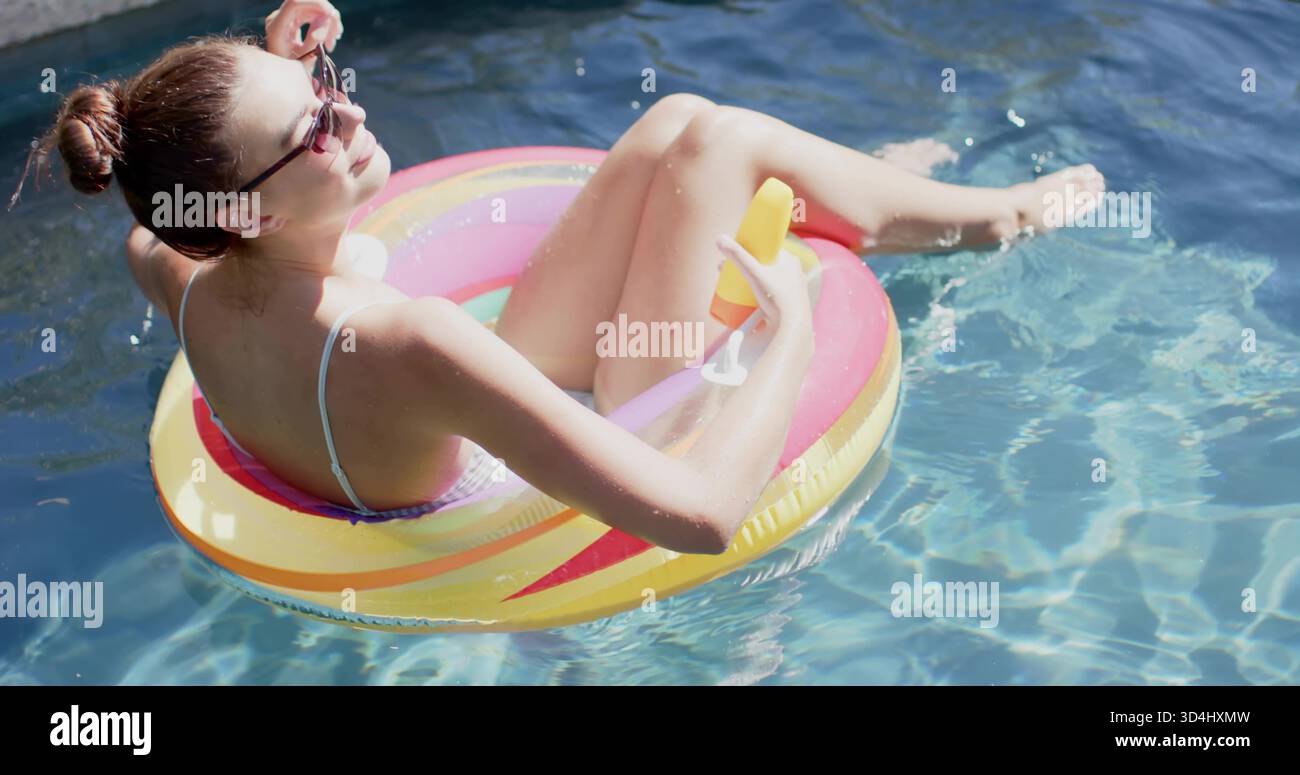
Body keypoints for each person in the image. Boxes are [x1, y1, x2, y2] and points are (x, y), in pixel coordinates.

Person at [19, 0, 1103, 553]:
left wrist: (273, 77)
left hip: (420, 431)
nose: (350, 110)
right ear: (245, 208)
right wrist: (786, 341)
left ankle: (886, 192)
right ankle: (989, 217)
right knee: (713, 144)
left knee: (677, 124)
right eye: (317, 126)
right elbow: (700, 517)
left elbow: (190, 195)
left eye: (328, 86)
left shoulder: (170, 262)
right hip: (586, 471)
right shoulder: (409, 342)